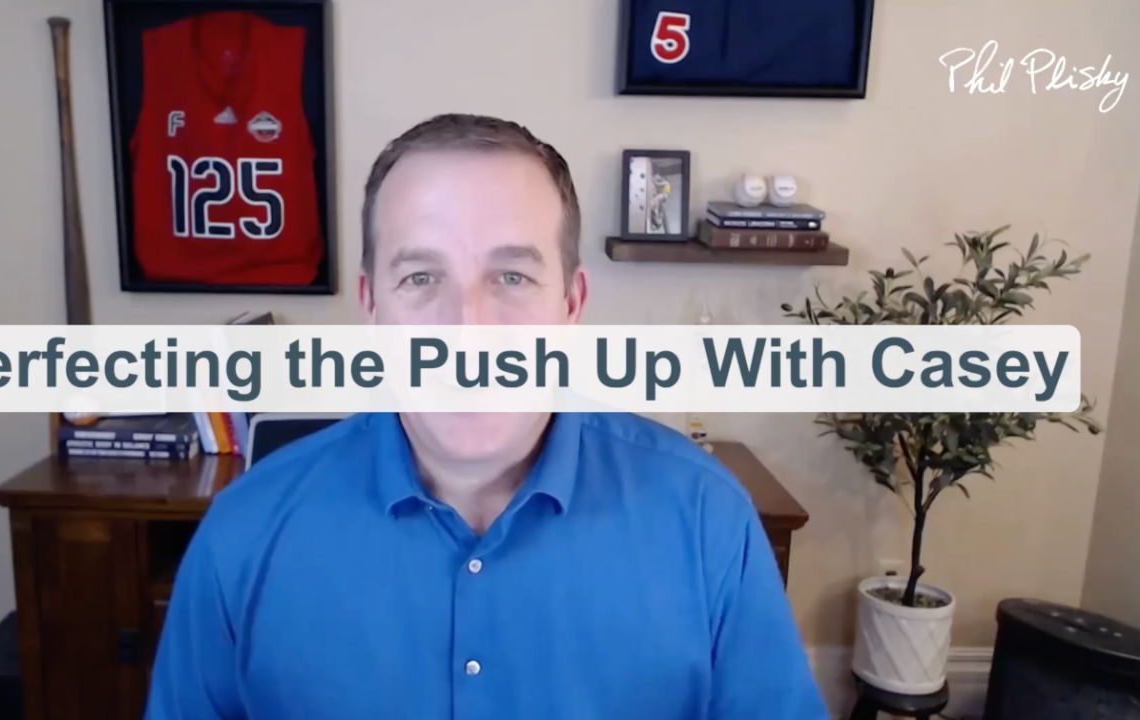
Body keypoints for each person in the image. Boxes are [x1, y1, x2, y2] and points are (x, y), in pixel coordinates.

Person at [145, 113, 829, 720]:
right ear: (372, 306)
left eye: (511, 277)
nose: (467, 328)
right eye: (421, 278)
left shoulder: (708, 523)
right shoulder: (242, 537)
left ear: (570, 304)